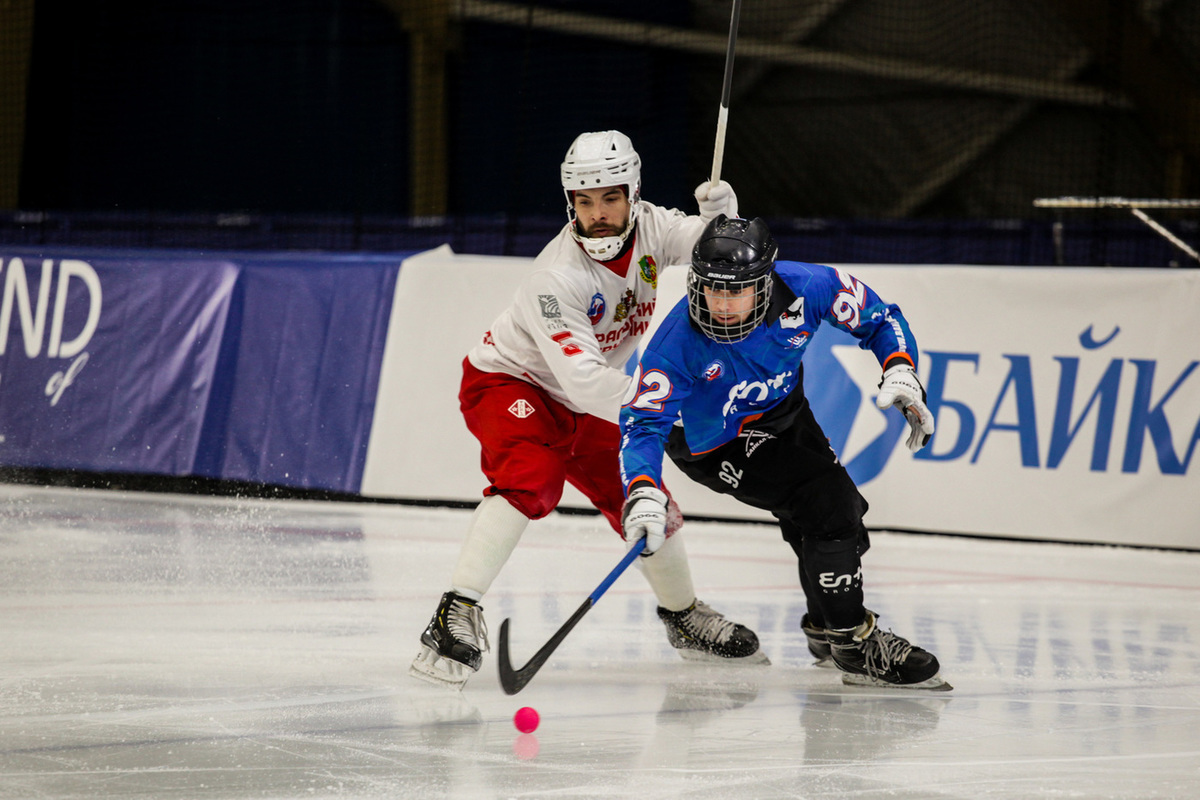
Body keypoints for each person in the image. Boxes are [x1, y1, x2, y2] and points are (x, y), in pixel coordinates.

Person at [410, 131, 766, 688]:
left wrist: (723, 216)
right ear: (569, 202)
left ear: (633, 193)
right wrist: (661, 405)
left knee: (647, 500)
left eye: (610, 198)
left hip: (594, 394)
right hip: (512, 382)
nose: (598, 214)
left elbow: (715, 251)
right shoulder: (556, 278)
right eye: (584, 201)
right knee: (534, 481)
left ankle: (683, 615)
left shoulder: (653, 225)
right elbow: (580, 381)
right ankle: (454, 611)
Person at [618, 214, 951, 691]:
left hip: (782, 409)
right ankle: (854, 643)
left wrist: (900, 369)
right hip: (712, 442)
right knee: (828, 500)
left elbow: (881, 317)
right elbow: (642, 423)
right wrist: (644, 490)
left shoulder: (810, 286)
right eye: (712, 290)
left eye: (735, 291)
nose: (721, 304)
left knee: (840, 525)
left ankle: (824, 625)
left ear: (766, 282)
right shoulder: (676, 345)